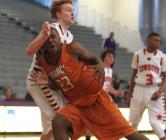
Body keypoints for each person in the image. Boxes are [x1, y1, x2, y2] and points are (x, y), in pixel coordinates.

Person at [31, 25, 148, 140]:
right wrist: (47, 82)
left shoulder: (71, 48)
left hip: (96, 100)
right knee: (58, 123)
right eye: (47, 38)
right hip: (77, 106)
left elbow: (94, 59)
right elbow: (57, 86)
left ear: (59, 38)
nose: (51, 40)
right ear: (43, 42)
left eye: (53, 36)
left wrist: (101, 66)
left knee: (129, 133)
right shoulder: (43, 61)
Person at [25, 0, 74, 140]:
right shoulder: (53, 29)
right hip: (39, 82)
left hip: (52, 83)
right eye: (68, 9)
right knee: (61, 121)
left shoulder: (69, 36)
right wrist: (44, 36)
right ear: (58, 14)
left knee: (49, 129)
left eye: (73, 10)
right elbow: (29, 50)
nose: (72, 12)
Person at [128, 32, 166, 140]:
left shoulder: (162, 57)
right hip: (138, 89)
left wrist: (160, 91)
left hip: (154, 89)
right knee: (134, 121)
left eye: (159, 41)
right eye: (155, 40)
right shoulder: (137, 54)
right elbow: (133, 75)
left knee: (154, 122)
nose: (158, 43)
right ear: (149, 40)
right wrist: (129, 94)